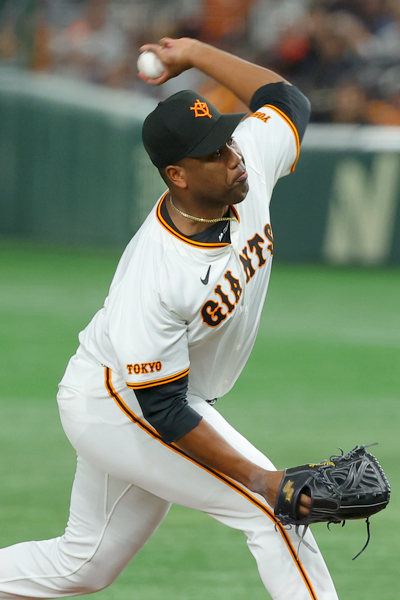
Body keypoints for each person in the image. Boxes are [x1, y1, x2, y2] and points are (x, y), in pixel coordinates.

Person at [0, 37, 339, 600]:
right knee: (273, 509)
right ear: (177, 175)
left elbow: (287, 101)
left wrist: (195, 53)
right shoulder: (155, 274)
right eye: (214, 153)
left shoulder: (246, 163)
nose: (233, 157)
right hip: (117, 404)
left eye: (228, 140)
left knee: (83, 565)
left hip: (160, 399)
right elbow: (163, 409)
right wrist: (262, 479)